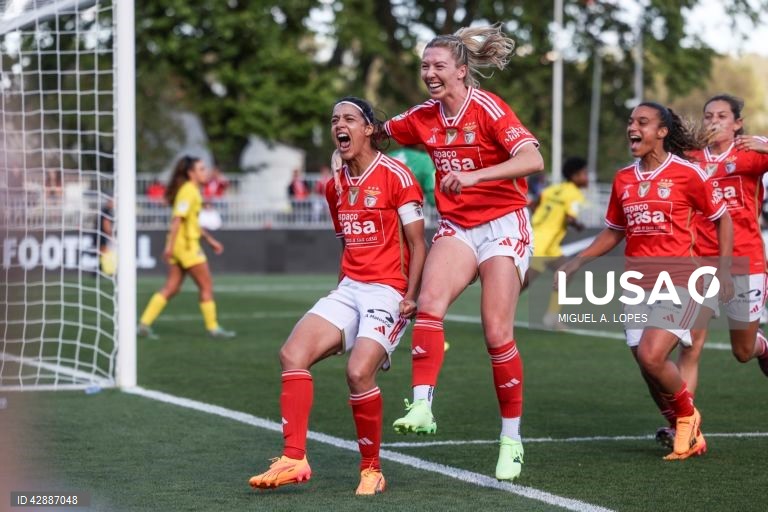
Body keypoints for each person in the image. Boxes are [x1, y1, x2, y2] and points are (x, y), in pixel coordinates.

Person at [384, 24, 544, 481]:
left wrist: (475, 177)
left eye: (438, 66)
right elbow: (378, 132)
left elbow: (533, 160)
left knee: (496, 333)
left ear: (461, 69)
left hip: (502, 224)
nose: (429, 73)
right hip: (457, 226)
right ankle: (421, 406)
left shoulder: (489, 108)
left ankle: (511, 439)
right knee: (429, 306)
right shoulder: (423, 116)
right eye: (424, 66)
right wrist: (348, 147)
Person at [248, 97, 426, 495]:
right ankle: (294, 458)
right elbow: (347, 244)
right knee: (293, 354)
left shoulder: (397, 175)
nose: (338, 126)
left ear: (368, 129)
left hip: (388, 290)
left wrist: (411, 297)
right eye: (333, 120)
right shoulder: (335, 186)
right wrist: (341, 296)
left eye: (348, 119)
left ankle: (372, 469)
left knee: (358, 372)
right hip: (350, 288)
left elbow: (418, 242)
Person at [557, 102, 734, 460]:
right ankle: (686, 430)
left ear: (662, 132)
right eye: (630, 122)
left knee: (653, 357)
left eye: (642, 122)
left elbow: (723, 218)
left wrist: (724, 269)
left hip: (681, 281)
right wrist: (577, 262)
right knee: (646, 365)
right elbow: (614, 232)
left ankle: (687, 417)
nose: (632, 128)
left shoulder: (688, 174)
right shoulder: (624, 178)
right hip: (637, 285)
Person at [652, 94, 768, 447]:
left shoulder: (752, 155)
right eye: (708, 116)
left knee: (742, 351)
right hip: (700, 262)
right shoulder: (692, 160)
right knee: (691, 345)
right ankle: (684, 425)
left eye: (722, 116)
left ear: (738, 124)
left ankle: (763, 346)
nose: (714, 121)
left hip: (745, 260)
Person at [137, 156, 235, 339]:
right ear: (191, 173)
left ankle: (143, 323)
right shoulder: (189, 191)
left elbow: (191, 222)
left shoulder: (191, 191)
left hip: (181, 246)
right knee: (206, 286)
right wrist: (169, 246)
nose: (205, 172)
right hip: (187, 247)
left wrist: (209, 240)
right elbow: (177, 219)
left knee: (172, 287)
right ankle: (213, 328)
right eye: (201, 169)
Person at [528, 157, 589, 329]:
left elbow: (534, 204)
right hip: (543, 244)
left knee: (566, 272)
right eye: (584, 174)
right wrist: (578, 225)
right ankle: (497, 312)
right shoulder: (575, 194)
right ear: (574, 176)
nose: (587, 178)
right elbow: (571, 217)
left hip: (543, 240)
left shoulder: (552, 189)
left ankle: (552, 317)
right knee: (523, 283)